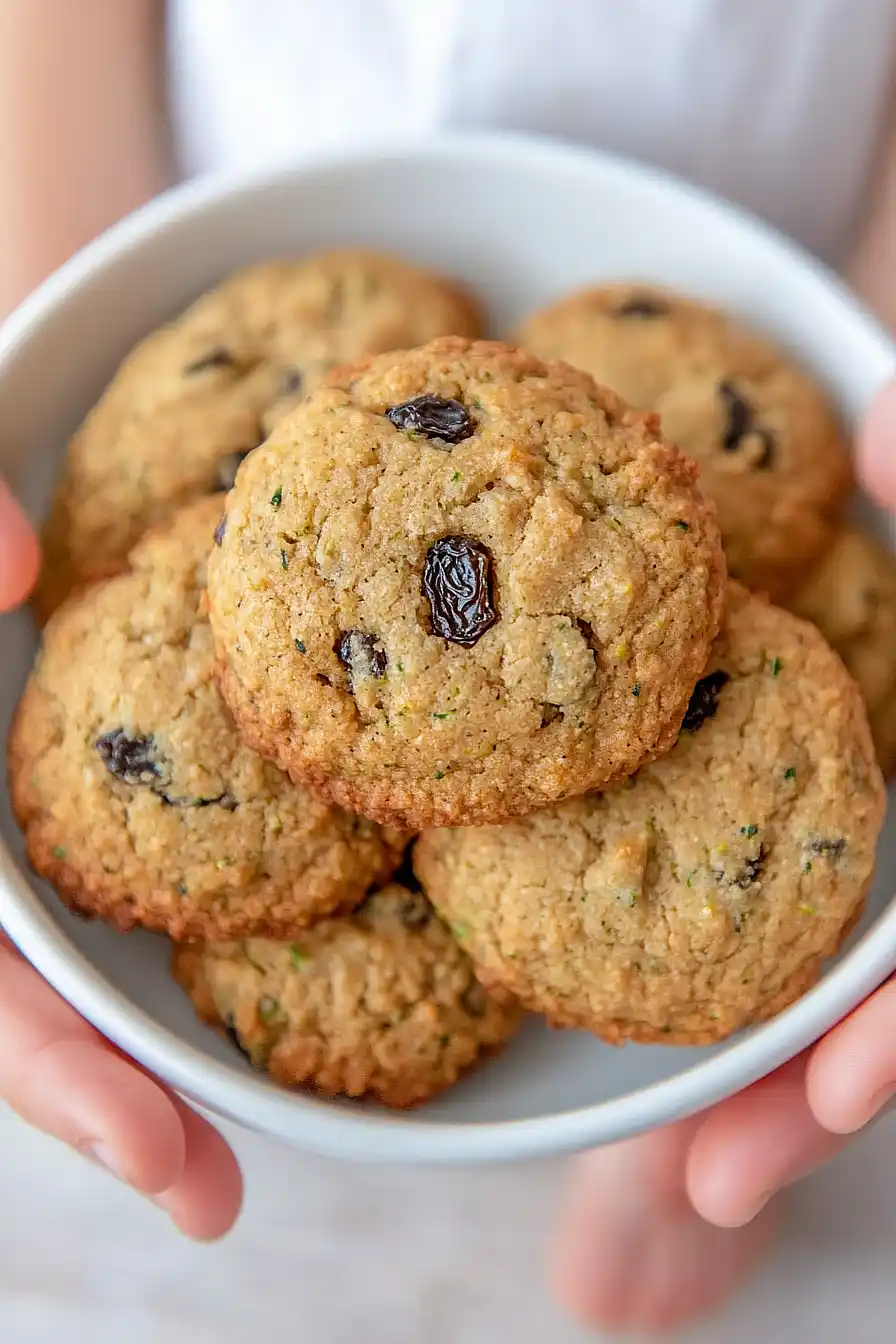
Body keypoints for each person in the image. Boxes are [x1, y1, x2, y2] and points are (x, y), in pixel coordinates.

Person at [2, 0, 896, 1333]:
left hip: (799, 187)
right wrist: (55, 281)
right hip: (236, 133)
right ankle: (664, 1125)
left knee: (736, 1078)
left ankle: (662, 1132)